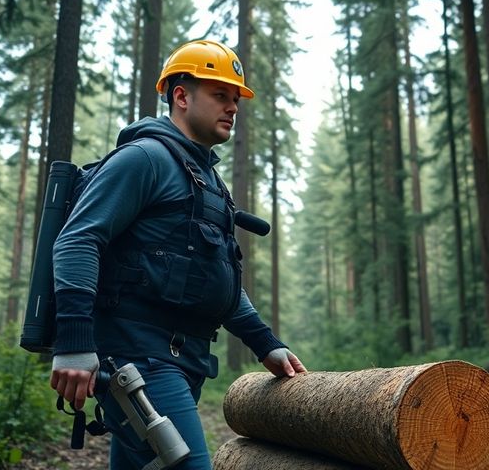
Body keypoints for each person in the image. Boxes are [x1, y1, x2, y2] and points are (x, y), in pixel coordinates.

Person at [49, 39, 306, 469]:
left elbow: (214, 278)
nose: (232, 107)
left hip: (183, 359)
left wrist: (265, 343)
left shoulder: (206, 180)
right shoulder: (145, 158)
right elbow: (78, 239)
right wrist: (74, 340)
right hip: (138, 358)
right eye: (219, 95)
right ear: (181, 96)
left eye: (235, 99)